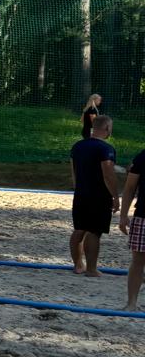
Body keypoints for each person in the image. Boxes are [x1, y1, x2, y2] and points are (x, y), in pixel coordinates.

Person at [69, 114, 119, 277]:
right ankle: (91, 269)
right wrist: (115, 196)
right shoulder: (106, 149)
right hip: (99, 196)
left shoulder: (77, 146)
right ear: (107, 128)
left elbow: (74, 172)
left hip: (81, 193)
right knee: (94, 231)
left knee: (79, 230)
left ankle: (78, 265)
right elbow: (108, 174)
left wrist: (78, 189)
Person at [117, 140, 145, 308]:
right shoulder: (142, 157)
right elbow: (129, 188)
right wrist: (123, 215)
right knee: (138, 261)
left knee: (138, 262)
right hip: (143, 216)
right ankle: (132, 303)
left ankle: (131, 303)